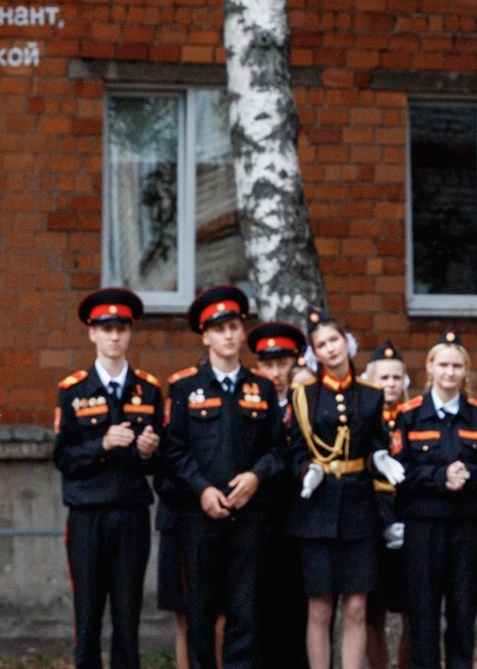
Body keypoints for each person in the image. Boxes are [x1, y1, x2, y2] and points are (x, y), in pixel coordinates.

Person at [160, 286, 282, 669]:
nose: (229, 335)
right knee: (200, 613)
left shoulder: (261, 388)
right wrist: (202, 489)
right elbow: (173, 449)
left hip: (248, 517)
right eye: (220, 328)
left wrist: (257, 477)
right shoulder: (184, 387)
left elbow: (278, 448)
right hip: (200, 517)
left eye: (235, 326)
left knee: (244, 613)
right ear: (205, 336)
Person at [56, 288, 164, 669]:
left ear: (130, 333)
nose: (114, 336)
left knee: (128, 614)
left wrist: (149, 451)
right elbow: (64, 457)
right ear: (92, 334)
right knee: (87, 616)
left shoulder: (148, 389)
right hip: (88, 514)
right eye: (106, 329)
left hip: (131, 512)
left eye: (121, 328)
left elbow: (158, 462)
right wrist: (101, 443)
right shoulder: (73, 391)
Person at [288, 315, 391, 669]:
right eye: (322, 345)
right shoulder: (304, 396)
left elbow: (377, 445)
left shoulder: (371, 394)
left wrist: (381, 459)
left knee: (357, 606)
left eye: (335, 340)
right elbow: (295, 448)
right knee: (319, 607)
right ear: (314, 354)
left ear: (347, 341)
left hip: (358, 508)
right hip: (316, 509)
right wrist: (307, 470)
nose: (330, 349)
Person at [392, 333, 477, 669]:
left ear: (466, 372)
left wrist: (469, 475)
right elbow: (400, 471)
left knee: (463, 610)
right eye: (444, 365)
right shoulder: (408, 416)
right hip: (423, 524)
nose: (450, 372)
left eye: (457, 366)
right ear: (430, 368)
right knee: (423, 612)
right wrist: (439, 478)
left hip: (467, 524)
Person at [246, 323, 310, 669]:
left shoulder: (306, 404)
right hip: (260, 511)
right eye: (268, 365)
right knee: (258, 598)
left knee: (296, 601)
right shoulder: (252, 402)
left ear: (294, 363)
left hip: (300, 511)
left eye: (282, 363)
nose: (275, 372)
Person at [358, 345, 409, 669]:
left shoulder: (415, 415)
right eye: (384, 377)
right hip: (370, 519)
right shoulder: (363, 417)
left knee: (412, 609)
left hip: (407, 516)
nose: (390, 383)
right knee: (370, 610)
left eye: (396, 377)